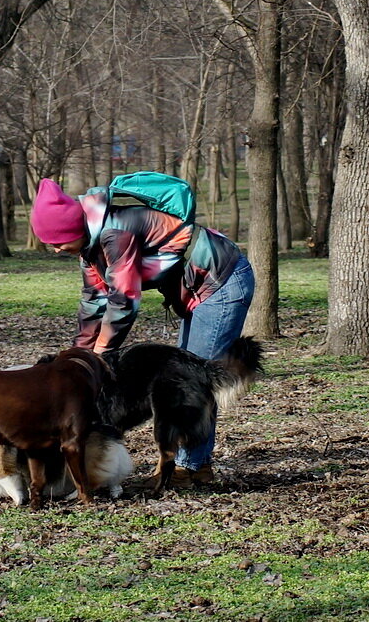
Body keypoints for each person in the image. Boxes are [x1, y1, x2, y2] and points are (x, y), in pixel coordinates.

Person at [29, 177, 255, 487]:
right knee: (187, 376)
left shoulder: (114, 234)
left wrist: (100, 357)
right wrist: (77, 360)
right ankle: (190, 466)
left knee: (195, 378)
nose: (55, 250)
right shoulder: (89, 248)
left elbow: (123, 302)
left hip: (220, 281)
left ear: (74, 230)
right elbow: (93, 304)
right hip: (196, 289)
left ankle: (189, 469)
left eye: (58, 242)